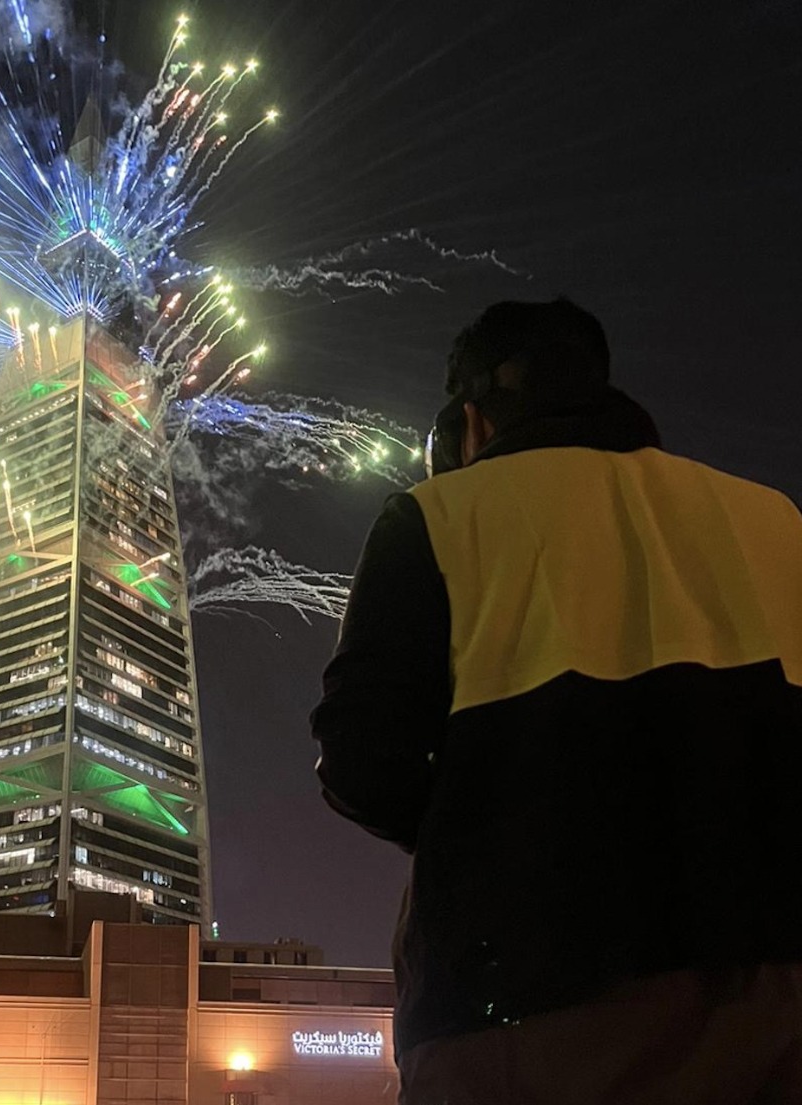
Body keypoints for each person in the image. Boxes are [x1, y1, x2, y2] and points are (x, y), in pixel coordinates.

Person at [310, 298, 802, 1104]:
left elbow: (360, 760)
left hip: (528, 1005)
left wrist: (478, 830)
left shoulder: (437, 517)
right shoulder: (774, 519)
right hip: (775, 1004)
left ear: (471, 421)